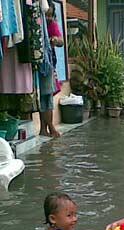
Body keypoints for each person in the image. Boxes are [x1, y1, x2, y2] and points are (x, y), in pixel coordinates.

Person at [39, 3, 63, 137]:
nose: (48, 17)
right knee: (43, 97)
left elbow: (61, 41)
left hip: (47, 64)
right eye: (46, 14)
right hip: (38, 64)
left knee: (47, 96)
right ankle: (47, 128)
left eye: (50, 15)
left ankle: (47, 127)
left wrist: (54, 40)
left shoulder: (51, 25)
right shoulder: (37, 22)